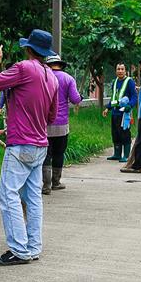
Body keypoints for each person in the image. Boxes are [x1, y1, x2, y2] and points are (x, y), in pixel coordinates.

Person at [0, 29, 58, 266]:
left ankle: (18, 250)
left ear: (29, 49)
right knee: (33, 197)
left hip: (20, 145)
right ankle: (33, 247)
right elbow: (52, 115)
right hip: (40, 144)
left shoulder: (24, 67)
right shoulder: (52, 77)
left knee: (8, 196)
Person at [42, 55, 82, 194]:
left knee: (46, 154)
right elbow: (75, 99)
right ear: (60, 64)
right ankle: (56, 182)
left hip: (43, 123)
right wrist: (80, 97)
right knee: (59, 153)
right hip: (61, 124)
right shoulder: (68, 78)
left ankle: (45, 185)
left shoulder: (42, 77)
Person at [102, 63, 137, 162]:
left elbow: (134, 96)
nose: (120, 71)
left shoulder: (129, 82)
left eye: (122, 69)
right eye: (118, 69)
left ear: (125, 71)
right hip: (114, 112)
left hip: (124, 114)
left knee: (125, 134)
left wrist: (130, 105)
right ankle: (117, 154)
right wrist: (107, 108)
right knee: (115, 133)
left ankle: (126, 156)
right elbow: (113, 97)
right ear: (116, 71)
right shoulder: (115, 82)